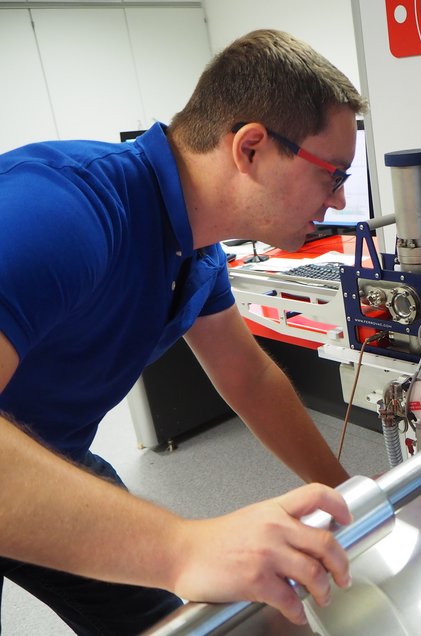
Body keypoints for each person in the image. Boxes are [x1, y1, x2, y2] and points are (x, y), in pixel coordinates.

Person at [0, 29, 368, 633]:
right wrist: (184, 548)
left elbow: (248, 377)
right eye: (333, 174)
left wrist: (346, 496)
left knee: (166, 623)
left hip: (49, 453)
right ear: (250, 148)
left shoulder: (196, 251)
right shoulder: (66, 211)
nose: (339, 198)